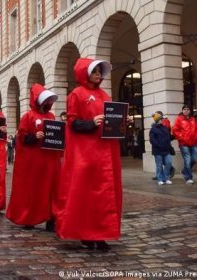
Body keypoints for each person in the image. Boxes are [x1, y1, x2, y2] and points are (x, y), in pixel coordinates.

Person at [56, 58, 124, 251]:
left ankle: (101, 234)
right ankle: (84, 233)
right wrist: (91, 123)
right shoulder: (76, 94)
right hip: (86, 152)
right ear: (86, 73)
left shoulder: (104, 94)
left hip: (105, 152)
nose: (98, 75)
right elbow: (73, 123)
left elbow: (112, 119)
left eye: (100, 71)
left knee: (103, 195)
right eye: (95, 71)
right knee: (84, 193)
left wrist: (119, 122)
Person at [6, 84, 61, 231]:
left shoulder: (51, 116)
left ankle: (51, 218)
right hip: (33, 162)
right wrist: (33, 136)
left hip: (49, 161)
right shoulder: (28, 116)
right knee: (32, 190)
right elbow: (21, 137)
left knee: (50, 190)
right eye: (45, 100)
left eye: (48, 101)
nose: (47, 103)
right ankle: (29, 218)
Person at [172, 105, 197, 185]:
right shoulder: (179, 119)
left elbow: (196, 129)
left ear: (190, 111)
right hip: (183, 143)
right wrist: (182, 137)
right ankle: (188, 178)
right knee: (187, 159)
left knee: (194, 159)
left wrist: (195, 137)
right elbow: (175, 130)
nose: (186, 110)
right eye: (185, 109)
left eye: (188, 109)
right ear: (182, 110)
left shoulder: (193, 119)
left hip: (193, 143)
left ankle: (184, 170)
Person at [149, 112, 173, 185]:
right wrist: (159, 145)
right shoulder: (153, 129)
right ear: (157, 120)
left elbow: (168, 137)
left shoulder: (165, 128)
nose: (161, 120)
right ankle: (160, 179)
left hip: (166, 150)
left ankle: (166, 178)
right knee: (159, 165)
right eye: (160, 119)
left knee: (168, 163)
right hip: (158, 150)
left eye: (161, 119)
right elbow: (152, 140)